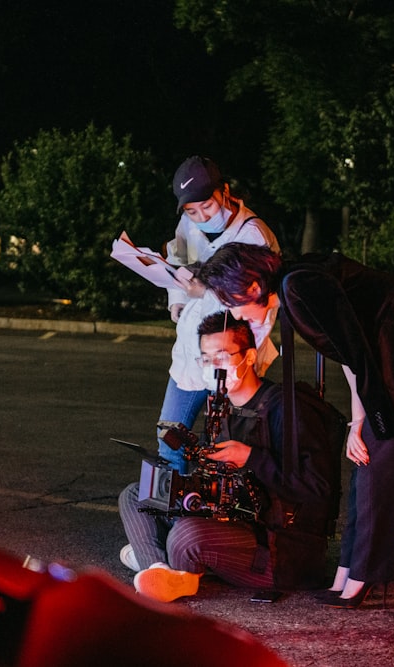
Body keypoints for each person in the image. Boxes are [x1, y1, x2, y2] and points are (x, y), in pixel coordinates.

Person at [197, 243, 394, 609]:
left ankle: (363, 577)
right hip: (384, 352)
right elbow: (347, 352)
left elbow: (356, 355)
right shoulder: (294, 285)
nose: (233, 313)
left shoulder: (298, 287)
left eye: (232, 300)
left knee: (377, 464)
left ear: (254, 288)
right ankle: (347, 572)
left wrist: (363, 421)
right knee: (365, 462)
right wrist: (359, 421)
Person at [118, 312, 338, 602]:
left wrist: (251, 457)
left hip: (278, 547)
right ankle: (159, 568)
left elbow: (319, 487)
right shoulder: (221, 406)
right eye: (206, 359)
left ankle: (160, 558)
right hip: (230, 519)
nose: (213, 367)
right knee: (138, 492)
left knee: (185, 536)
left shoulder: (285, 409)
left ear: (248, 358)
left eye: (221, 357)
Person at [157, 156, 280, 474]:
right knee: (169, 442)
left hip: (227, 361)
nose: (199, 217)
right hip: (188, 356)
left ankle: (209, 522)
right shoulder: (188, 223)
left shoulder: (255, 236)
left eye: (206, 207)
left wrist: (206, 293)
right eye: (190, 211)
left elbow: (261, 310)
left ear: (224, 192)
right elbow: (177, 255)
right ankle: (175, 518)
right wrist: (177, 297)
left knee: (220, 451)